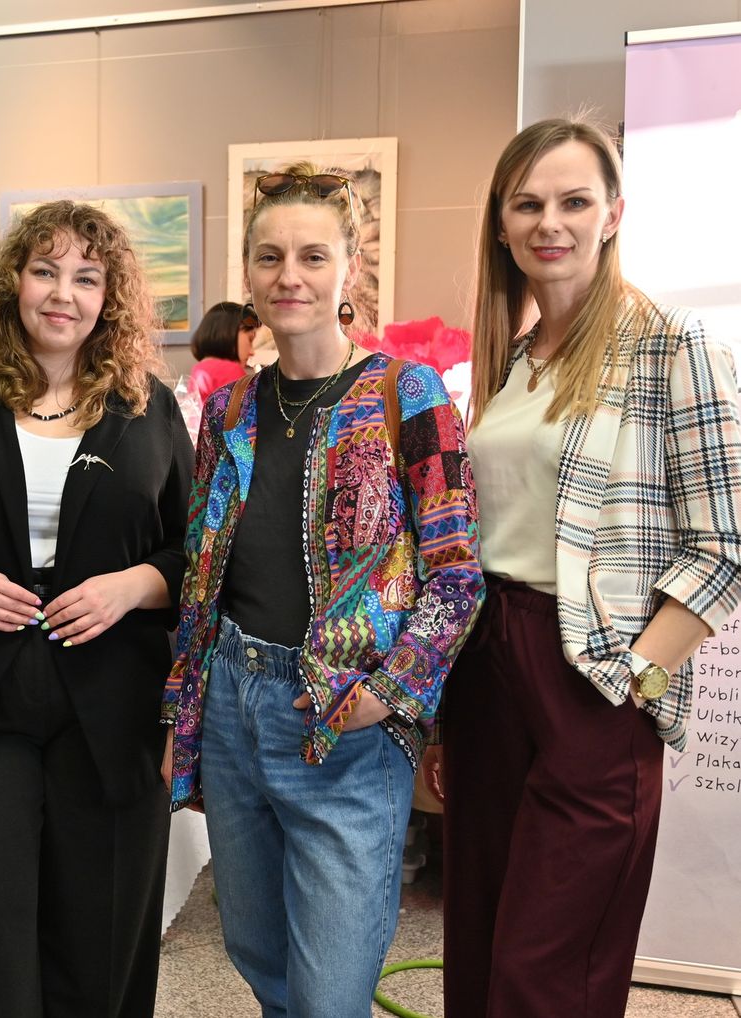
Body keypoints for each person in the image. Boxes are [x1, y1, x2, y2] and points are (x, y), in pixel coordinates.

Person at [426, 116, 741, 1018]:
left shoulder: (674, 345)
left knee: (548, 971)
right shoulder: (512, 361)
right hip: (486, 662)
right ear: (500, 224)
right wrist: (445, 708)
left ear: (613, 214)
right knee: (480, 944)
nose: (549, 222)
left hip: (591, 673)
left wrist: (639, 676)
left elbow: (726, 544)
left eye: (574, 201)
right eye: (527, 204)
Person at [160, 165, 483, 1017]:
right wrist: (185, 714)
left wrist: (390, 691)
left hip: (345, 719)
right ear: (249, 272)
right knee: (257, 953)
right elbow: (202, 574)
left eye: (312, 256)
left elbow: (456, 573)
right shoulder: (228, 410)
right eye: (269, 257)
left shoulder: (405, 394)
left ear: (349, 268)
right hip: (234, 704)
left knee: (332, 988)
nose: (289, 276)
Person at [0, 200, 194, 1018]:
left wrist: (130, 586)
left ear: (109, 298)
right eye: (45, 271)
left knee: (103, 936)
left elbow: (193, 552)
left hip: (115, 705)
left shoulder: (148, 407)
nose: (63, 293)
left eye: (86, 278)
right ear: (14, 282)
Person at [187, 299, 257, 402]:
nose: (252, 352)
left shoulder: (198, 369)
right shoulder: (231, 370)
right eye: (250, 340)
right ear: (229, 332)